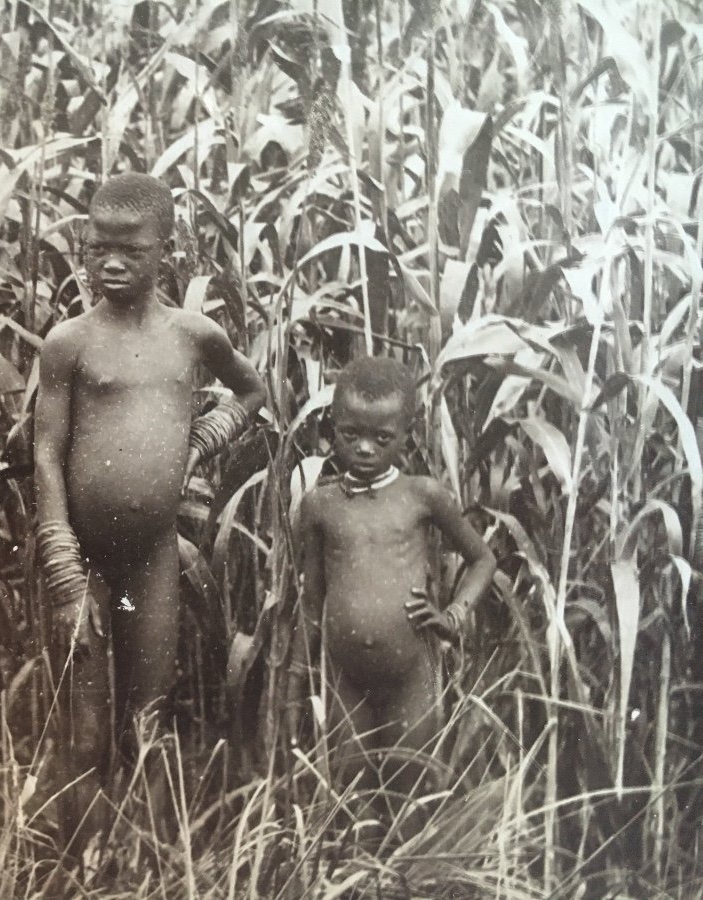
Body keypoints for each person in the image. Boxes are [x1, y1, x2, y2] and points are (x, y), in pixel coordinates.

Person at [32, 172, 266, 849]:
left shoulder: (193, 336)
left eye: (129, 251)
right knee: (85, 730)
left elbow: (251, 391)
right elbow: (46, 456)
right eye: (96, 246)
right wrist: (63, 572)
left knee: (151, 719)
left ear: (167, 249)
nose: (109, 262)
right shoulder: (69, 343)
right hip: (84, 560)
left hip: (155, 558)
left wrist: (202, 440)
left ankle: (147, 871)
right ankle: (78, 874)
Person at [285, 355, 496, 834]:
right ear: (330, 428)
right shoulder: (319, 506)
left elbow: (483, 559)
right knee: (352, 792)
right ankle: (358, 879)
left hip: (410, 675)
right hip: (345, 680)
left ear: (409, 434)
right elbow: (311, 600)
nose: (363, 449)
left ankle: (409, 878)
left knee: (409, 790)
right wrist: (295, 688)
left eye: (382, 439)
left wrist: (455, 615)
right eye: (349, 434)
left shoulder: (423, 496)